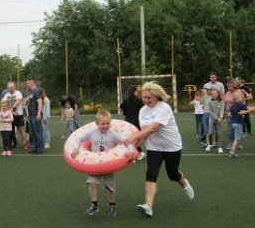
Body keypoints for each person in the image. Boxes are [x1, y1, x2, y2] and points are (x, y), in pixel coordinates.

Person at [124, 82, 195, 218]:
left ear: (157, 97)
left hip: (171, 147)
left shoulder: (164, 108)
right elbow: (145, 132)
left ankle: (184, 183)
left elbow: (153, 128)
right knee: (151, 174)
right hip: (154, 147)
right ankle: (148, 207)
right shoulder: (143, 110)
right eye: (144, 97)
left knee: (172, 175)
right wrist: (133, 148)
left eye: (148, 98)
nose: (145, 100)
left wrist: (132, 137)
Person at [70, 110, 135, 217]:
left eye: (107, 123)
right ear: (97, 123)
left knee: (110, 187)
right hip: (95, 163)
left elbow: (127, 142)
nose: (105, 126)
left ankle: (112, 205)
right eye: (103, 124)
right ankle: (94, 204)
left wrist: (130, 151)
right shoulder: (92, 132)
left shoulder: (113, 133)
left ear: (110, 123)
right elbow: (79, 138)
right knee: (92, 183)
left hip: (108, 164)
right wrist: (76, 148)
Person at [121, 84, 145, 159]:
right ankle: (139, 152)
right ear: (135, 91)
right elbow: (142, 112)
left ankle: (134, 152)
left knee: (129, 138)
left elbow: (124, 112)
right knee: (136, 138)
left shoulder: (125, 101)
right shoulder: (139, 101)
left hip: (127, 122)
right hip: (137, 122)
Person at [1, 82, 28, 149]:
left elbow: (18, 101)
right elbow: (2, 102)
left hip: (18, 114)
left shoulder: (18, 93)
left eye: (10, 88)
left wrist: (12, 107)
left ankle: (25, 143)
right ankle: (12, 143)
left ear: (14, 87)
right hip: (10, 115)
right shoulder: (7, 94)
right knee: (10, 130)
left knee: (21, 129)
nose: (9, 89)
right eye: (8, 88)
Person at [26, 78, 45, 154]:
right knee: (33, 132)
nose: (27, 85)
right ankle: (35, 148)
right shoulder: (31, 92)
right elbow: (31, 104)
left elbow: (40, 103)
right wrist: (28, 114)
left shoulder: (36, 91)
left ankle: (40, 149)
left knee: (38, 132)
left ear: (32, 83)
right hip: (31, 115)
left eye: (28, 83)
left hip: (35, 114)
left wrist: (38, 114)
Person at [205, 89, 225, 154]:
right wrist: (217, 118)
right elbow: (210, 111)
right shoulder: (209, 101)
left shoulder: (221, 101)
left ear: (218, 94)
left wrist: (221, 117)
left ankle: (220, 147)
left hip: (219, 119)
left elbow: (222, 110)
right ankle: (210, 144)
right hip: (212, 119)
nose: (214, 95)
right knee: (210, 133)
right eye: (212, 94)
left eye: (215, 93)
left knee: (219, 133)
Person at [228, 92, 246, 158]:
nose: (242, 98)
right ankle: (232, 152)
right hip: (238, 123)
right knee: (237, 138)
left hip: (233, 123)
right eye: (241, 97)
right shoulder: (241, 105)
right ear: (238, 98)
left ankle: (233, 151)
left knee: (239, 136)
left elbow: (229, 114)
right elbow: (248, 109)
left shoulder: (232, 106)